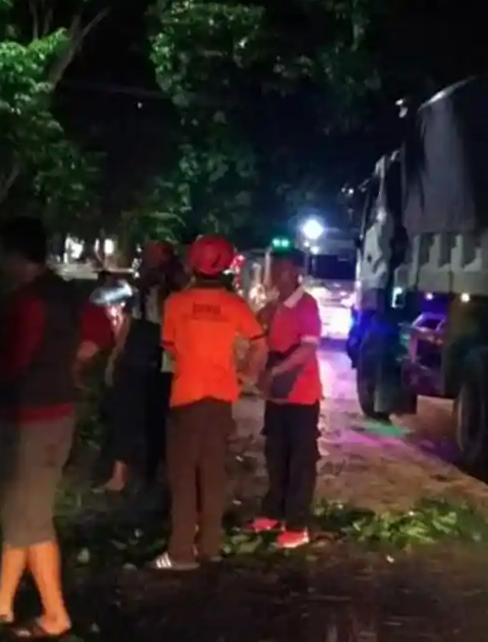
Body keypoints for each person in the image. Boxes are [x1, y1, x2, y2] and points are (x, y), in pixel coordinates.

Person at [0, 216, 113, 640]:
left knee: (31, 520)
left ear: (16, 257)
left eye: (3, 255)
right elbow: (103, 331)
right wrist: (73, 364)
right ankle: (1, 602)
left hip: (27, 421)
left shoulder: (27, 302)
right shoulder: (68, 294)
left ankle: (55, 615)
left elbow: (13, 363)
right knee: (23, 513)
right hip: (59, 416)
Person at [150, 235, 268, 571]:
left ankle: (180, 553)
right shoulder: (234, 305)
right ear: (228, 265)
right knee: (213, 473)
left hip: (186, 397)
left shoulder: (176, 302)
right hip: (220, 398)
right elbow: (261, 345)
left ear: (193, 263)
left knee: (183, 476)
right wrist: (243, 375)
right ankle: (211, 547)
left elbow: (170, 347)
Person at [249, 248, 324, 549]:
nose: (275, 275)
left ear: (295, 272)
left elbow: (307, 349)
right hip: (278, 395)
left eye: (280, 269)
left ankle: (297, 524)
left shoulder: (306, 306)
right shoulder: (276, 306)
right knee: (276, 455)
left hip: (302, 396)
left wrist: (276, 371)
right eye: (273, 269)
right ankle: (273, 512)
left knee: (300, 461)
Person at [100, 240, 181, 494]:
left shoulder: (170, 287)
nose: (145, 255)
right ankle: (127, 475)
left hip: (158, 355)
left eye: (152, 252)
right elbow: (129, 323)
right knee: (132, 414)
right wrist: (116, 354)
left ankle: (148, 475)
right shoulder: (145, 287)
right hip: (142, 354)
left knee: (153, 418)